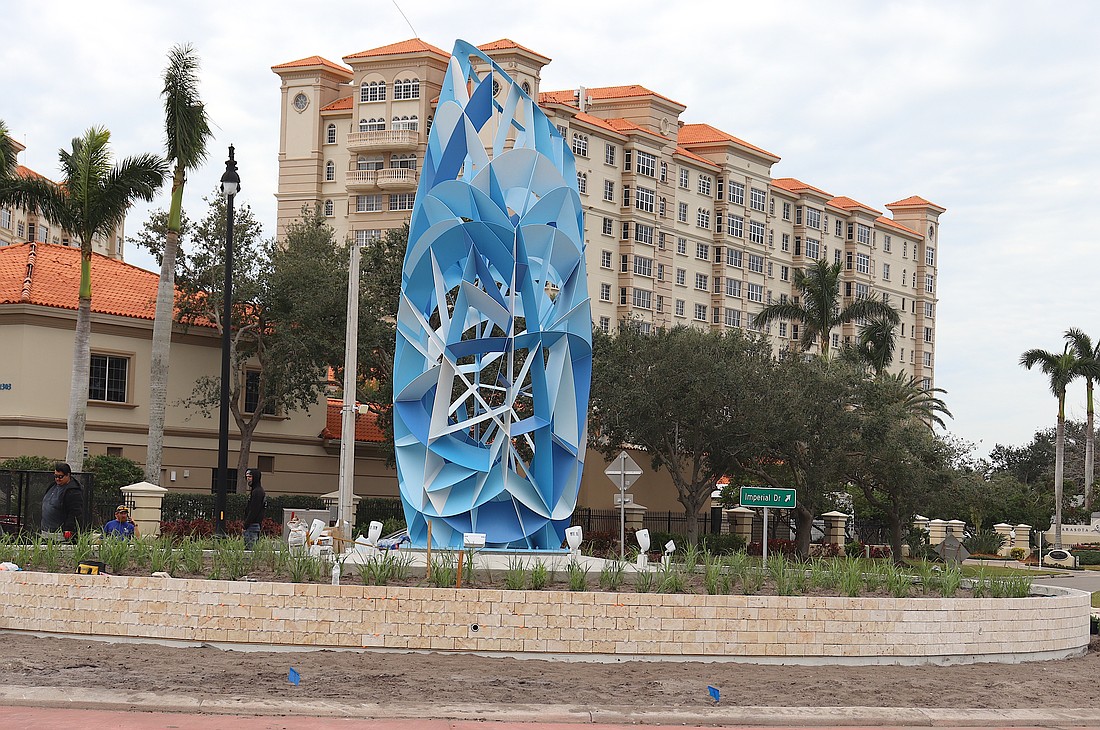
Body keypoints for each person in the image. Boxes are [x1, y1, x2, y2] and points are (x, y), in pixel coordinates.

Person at [41, 462, 83, 538]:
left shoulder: (73, 492)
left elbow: (75, 512)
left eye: (60, 476)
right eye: (56, 476)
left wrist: (69, 529)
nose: (57, 479)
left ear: (68, 475)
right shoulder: (52, 486)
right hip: (46, 532)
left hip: (60, 535)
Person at [243, 467, 266, 550]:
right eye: (247, 477)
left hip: (252, 526)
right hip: (253, 525)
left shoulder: (257, 492)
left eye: (250, 477)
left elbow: (254, 510)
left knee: (250, 551)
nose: (248, 479)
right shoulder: (256, 491)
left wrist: (246, 525)